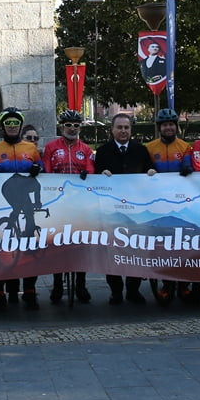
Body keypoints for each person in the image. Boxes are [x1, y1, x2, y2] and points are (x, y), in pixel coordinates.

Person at [0, 106, 44, 310]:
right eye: (8, 123)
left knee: (29, 236)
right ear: (3, 126)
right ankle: (0, 290)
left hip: (24, 190)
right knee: (3, 243)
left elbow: (41, 175)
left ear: (19, 126)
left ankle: (29, 289)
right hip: (6, 190)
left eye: (15, 123)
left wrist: (39, 168)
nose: (12, 126)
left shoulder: (30, 149)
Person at [94, 112, 153, 305]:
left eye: (126, 127)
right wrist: (100, 173)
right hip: (111, 211)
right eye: (119, 127)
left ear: (131, 130)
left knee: (135, 249)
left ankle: (133, 290)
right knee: (112, 251)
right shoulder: (102, 151)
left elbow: (150, 171)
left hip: (136, 211)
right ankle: (116, 291)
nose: (123, 131)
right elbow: (95, 177)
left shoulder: (141, 150)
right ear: (112, 130)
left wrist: (152, 173)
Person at [42, 109, 95, 304]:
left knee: (79, 245)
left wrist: (86, 173)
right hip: (57, 203)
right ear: (61, 127)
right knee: (57, 245)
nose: (72, 129)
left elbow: (90, 169)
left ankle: (81, 285)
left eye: (76, 125)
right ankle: (57, 285)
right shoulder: (51, 147)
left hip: (80, 204)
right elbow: (46, 171)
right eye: (68, 125)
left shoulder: (86, 149)